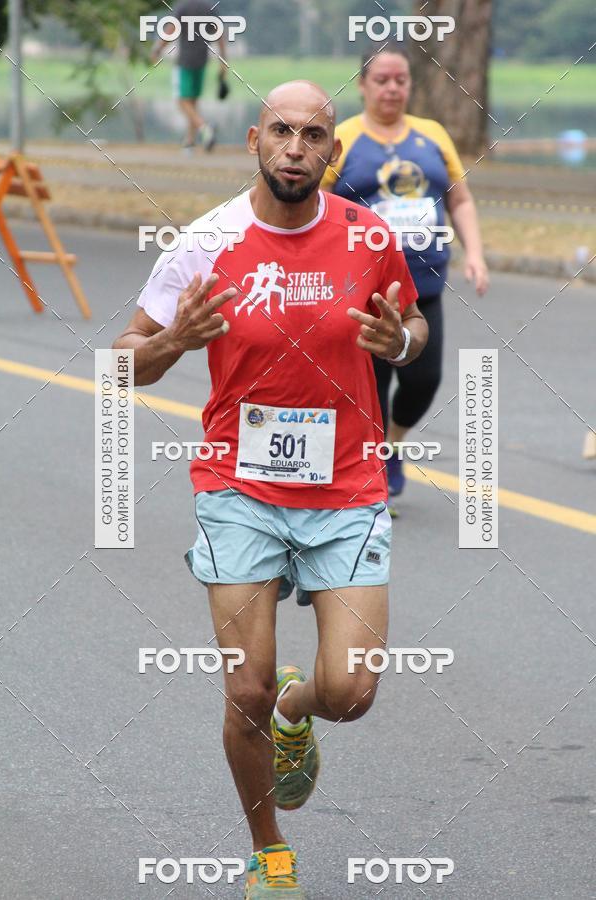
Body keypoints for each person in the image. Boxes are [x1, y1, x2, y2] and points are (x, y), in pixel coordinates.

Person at [113, 81, 427, 897]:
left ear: (334, 149)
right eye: (281, 131)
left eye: (313, 134)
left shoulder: (368, 237)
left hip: (348, 485)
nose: (295, 146)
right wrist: (176, 339)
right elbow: (121, 361)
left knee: (352, 691)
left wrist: (404, 338)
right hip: (238, 486)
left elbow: (414, 323)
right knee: (243, 684)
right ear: (254, 139)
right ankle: (269, 851)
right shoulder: (207, 240)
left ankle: (298, 712)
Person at [322, 42, 488, 513]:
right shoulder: (345, 139)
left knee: (423, 380)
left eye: (401, 80)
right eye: (382, 80)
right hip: (363, 292)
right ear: (362, 86)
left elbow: (460, 199)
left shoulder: (432, 135)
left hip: (423, 284)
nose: (393, 89)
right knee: (369, 388)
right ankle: (369, 477)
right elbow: (318, 206)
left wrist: (474, 252)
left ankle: (390, 447)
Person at [151, 0, 228, 151]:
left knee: (182, 101)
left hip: (185, 61)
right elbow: (220, 33)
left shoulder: (183, 7)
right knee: (192, 101)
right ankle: (190, 140)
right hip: (202, 60)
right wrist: (223, 59)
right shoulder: (208, 7)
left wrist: (157, 49)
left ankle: (204, 128)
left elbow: (171, 30)